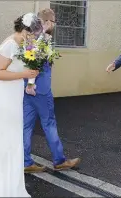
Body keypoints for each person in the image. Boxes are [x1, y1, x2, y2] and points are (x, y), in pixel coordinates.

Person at [23, 8, 80, 173]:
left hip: (27, 90)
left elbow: (27, 60)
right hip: (39, 89)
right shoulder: (43, 38)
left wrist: (28, 84)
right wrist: (32, 83)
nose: (54, 24)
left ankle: (26, 162)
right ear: (47, 22)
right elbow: (36, 63)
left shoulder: (28, 37)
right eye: (54, 21)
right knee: (49, 123)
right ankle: (59, 160)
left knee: (26, 126)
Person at [0, 13, 41, 197]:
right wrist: (23, 75)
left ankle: (12, 183)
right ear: (24, 31)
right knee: (5, 138)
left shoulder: (25, 43)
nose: (34, 38)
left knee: (14, 137)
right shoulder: (10, 44)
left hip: (15, 95)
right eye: (32, 34)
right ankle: (2, 186)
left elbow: (27, 66)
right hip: (4, 96)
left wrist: (31, 78)